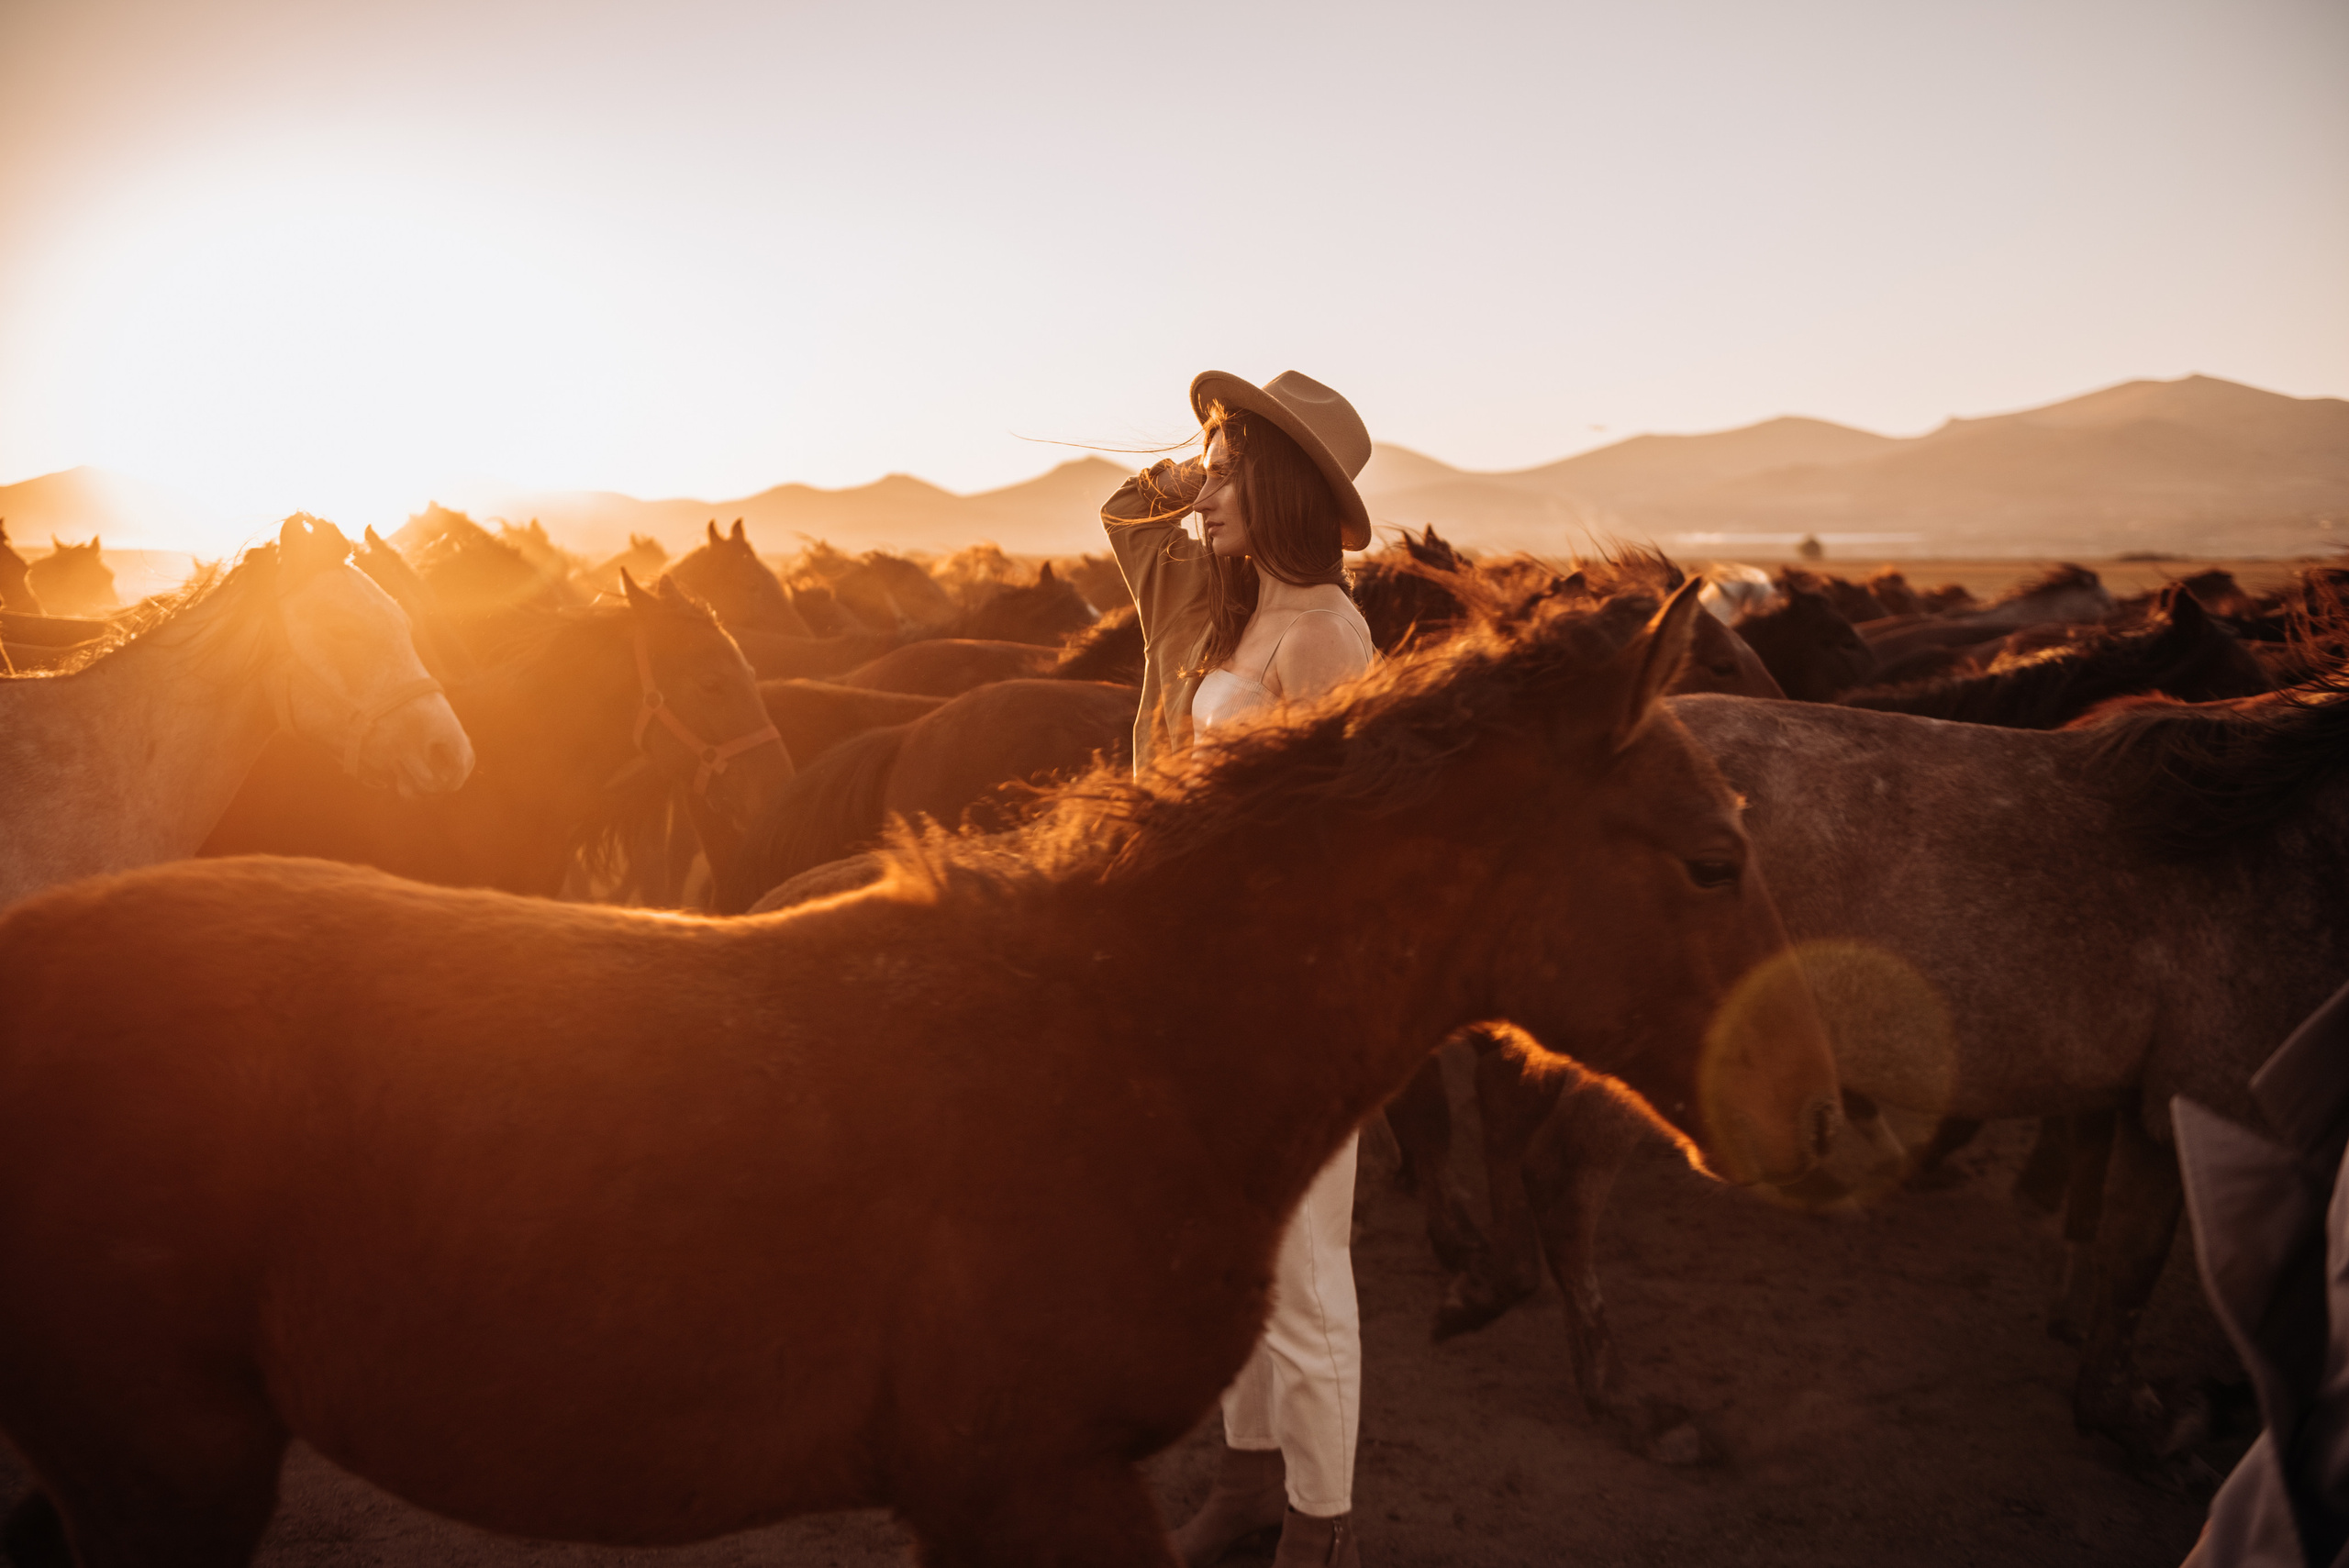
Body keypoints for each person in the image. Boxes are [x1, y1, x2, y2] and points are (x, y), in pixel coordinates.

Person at [1101, 370, 1377, 1568]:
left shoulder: (1324, 633)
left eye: (1222, 470)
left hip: (1291, 1003)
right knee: (1239, 1258)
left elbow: (1338, 853)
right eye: (1205, 465)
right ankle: (1252, 1482)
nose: (1200, 490)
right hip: (1215, 992)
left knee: (1308, 1273)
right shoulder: (1245, 613)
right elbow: (1131, 516)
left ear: (1274, 487)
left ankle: (1324, 1528)